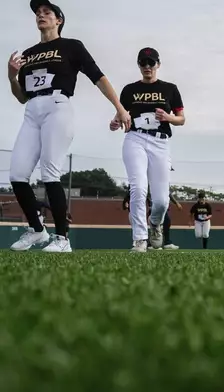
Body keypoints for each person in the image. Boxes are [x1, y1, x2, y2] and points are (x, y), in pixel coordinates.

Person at [8, 0, 130, 252]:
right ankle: (37, 231)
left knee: (49, 173)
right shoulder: (28, 54)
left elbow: (98, 76)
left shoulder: (71, 46)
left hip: (57, 106)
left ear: (58, 20)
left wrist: (119, 107)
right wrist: (11, 76)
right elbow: (21, 97)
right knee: (17, 175)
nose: (40, 16)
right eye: (38, 13)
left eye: (46, 12)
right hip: (32, 110)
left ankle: (62, 239)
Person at [110, 47, 185, 252]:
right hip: (135, 138)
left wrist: (168, 118)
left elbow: (181, 119)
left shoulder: (170, 89)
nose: (147, 67)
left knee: (161, 201)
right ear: (139, 66)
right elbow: (120, 114)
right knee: (138, 188)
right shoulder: (129, 90)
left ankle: (154, 223)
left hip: (160, 142)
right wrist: (115, 123)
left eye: (151, 63)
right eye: (143, 63)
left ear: (158, 65)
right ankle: (140, 239)